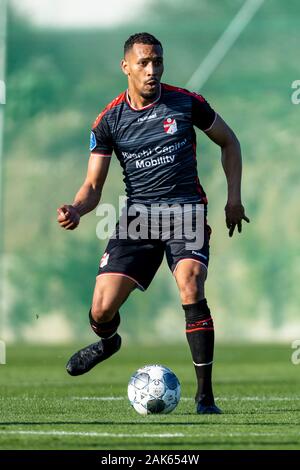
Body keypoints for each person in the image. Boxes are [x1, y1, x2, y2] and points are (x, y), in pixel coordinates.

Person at [57, 32, 249, 414]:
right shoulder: (109, 121)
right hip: (138, 218)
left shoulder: (186, 103)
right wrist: (77, 209)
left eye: (157, 61)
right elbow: (93, 186)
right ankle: (109, 343)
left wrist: (233, 198)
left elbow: (229, 141)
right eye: (143, 62)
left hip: (186, 213)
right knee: (100, 310)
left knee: (191, 284)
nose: (152, 70)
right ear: (125, 66)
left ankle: (205, 397)